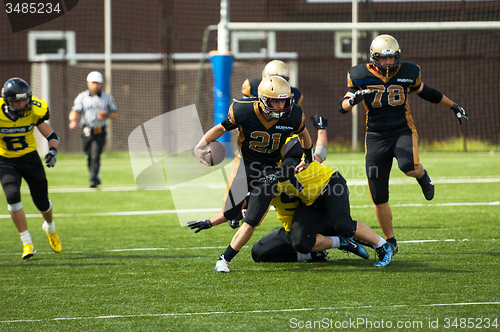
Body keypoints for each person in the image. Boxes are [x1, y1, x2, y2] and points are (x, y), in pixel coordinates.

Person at [338, 34, 469, 252]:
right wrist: (352, 101)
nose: (389, 62)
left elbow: (425, 92)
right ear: (373, 58)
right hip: (375, 136)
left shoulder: (408, 71)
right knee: (378, 194)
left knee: (409, 167)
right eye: (384, 58)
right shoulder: (358, 74)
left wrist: (453, 106)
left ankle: (422, 175)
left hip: (402, 130)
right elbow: (342, 107)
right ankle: (391, 241)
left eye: (392, 58)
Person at [194, 76, 314, 273]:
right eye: (275, 101)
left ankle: (224, 259)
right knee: (230, 213)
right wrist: (200, 146)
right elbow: (221, 127)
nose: (280, 106)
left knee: (252, 220)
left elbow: (304, 133)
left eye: (283, 100)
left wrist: (307, 157)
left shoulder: (293, 115)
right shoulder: (243, 110)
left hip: (271, 169)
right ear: (262, 100)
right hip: (244, 166)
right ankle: (238, 209)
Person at [0, 78, 62, 259]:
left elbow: (51, 135)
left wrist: (52, 151)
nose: (21, 105)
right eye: (16, 101)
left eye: (23, 100)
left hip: (30, 159)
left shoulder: (34, 109)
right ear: (7, 101)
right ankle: (27, 242)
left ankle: (50, 228)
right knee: (12, 197)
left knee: (42, 202)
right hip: (6, 161)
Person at [69, 71, 118, 188]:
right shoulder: (82, 97)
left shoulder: (107, 97)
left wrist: (106, 115)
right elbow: (75, 111)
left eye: (97, 83)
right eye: (93, 83)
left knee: (96, 155)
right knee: (89, 156)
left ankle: (93, 180)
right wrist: (73, 120)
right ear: (88, 83)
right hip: (86, 131)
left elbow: (115, 113)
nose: (95, 85)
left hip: (100, 131)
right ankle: (95, 175)